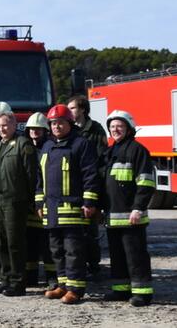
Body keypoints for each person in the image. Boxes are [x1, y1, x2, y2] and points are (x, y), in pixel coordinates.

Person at [37, 104, 99, 304]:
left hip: (72, 209)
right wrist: (39, 203)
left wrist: (89, 201)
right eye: (53, 123)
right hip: (51, 209)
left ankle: (76, 289)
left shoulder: (81, 144)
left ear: (70, 124)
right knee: (56, 250)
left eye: (60, 123)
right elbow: (40, 178)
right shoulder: (47, 146)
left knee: (73, 251)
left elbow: (90, 174)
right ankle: (62, 285)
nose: (56, 127)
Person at [101, 110, 155, 307]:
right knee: (117, 256)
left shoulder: (138, 150)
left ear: (129, 128)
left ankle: (143, 293)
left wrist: (138, 208)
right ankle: (121, 290)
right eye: (112, 127)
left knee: (136, 256)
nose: (115, 129)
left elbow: (146, 183)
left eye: (120, 126)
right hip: (113, 217)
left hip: (132, 216)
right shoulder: (110, 151)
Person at [0, 111, 39, 297]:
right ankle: (6, 279)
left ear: (14, 125)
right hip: (1, 199)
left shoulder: (23, 144)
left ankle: (18, 282)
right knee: (2, 242)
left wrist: (29, 201)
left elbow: (30, 174)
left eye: (5, 125)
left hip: (15, 201)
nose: (2, 129)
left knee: (14, 243)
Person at [67, 94, 108, 277]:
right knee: (75, 232)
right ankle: (78, 267)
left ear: (82, 109)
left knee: (90, 230)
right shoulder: (69, 129)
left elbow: (99, 159)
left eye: (73, 108)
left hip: (90, 184)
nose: (70, 111)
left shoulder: (96, 130)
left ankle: (94, 266)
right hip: (73, 185)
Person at [24, 112, 55, 286]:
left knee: (47, 243)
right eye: (32, 129)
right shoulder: (26, 147)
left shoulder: (49, 147)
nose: (34, 132)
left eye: (38, 129)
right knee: (30, 242)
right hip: (28, 201)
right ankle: (31, 275)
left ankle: (52, 276)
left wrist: (40, 201)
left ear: (44, 130)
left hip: (44, 201)